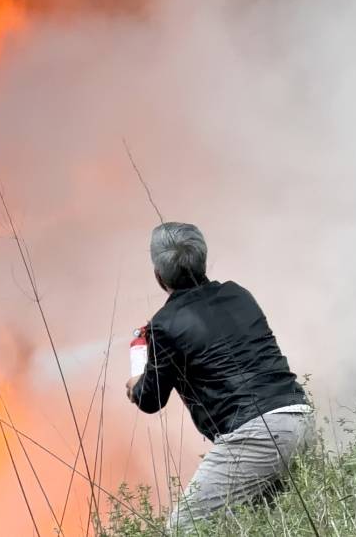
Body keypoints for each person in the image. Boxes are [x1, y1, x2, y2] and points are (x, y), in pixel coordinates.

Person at [126, 222, 314, 531]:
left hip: (256, 437)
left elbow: (151, 400)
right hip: (299, 418)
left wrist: (136, 384)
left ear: (159, 276)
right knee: (265, 524)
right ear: (203, 259)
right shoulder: (238, 294)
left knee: (184, 527)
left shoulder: (164, 325)